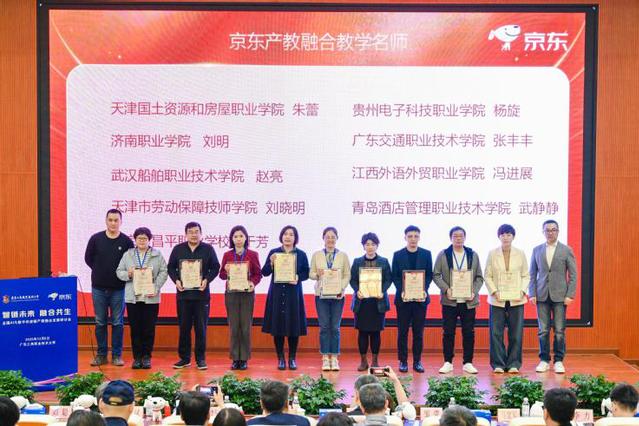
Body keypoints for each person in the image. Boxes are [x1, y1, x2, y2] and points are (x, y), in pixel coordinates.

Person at [168, 222, 220, 370]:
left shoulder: (208, 249)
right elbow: (170, 267)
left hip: (201, 296)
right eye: (190, 232)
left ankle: (200, 359)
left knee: (200, 328)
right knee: (184, 328)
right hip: (183, 295)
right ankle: (184, 358)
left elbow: (215, 267)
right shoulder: (178, 249)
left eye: (196, 231)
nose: (194, 234)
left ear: (201, 233)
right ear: (186, 234)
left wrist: (207, 280)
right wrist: (176, 280)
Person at [84, 209, 134, 366]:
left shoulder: (126, 242)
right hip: (98, 288)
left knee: (118, 323)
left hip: (118, 289)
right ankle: (101, 355)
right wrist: (100, 270)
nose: (113, 223)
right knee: (100, 322)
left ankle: (117, 355)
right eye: (110, 220)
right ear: (106, 221)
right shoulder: (96, 239)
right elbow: (88, 259)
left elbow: (130, 263)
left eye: (116, 220)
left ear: (121, 222)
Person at [433, 226, 484, 374]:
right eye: (455, 236)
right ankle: (448, 362)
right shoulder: (443, 254)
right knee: (448, 332)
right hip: (450, 301)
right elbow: (436, 275)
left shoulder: (472, 254)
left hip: (468, 302)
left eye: (461, 236)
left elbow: (479, 277)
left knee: (469, 333)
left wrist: (474, 291)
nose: (458, 238)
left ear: (465, 238)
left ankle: (468, 362)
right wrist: (446, 289)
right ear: (451, 238)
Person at [529, 220, 577, 374]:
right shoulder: (537, 250)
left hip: (560, 296)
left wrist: (570, 294)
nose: (550, 232)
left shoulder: (566, 250)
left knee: (559, 330)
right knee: (543, 330)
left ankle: (558, 361)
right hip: (542, 295)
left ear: (558, 231)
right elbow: (532, 274)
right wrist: (532, 293)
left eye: (553, 230)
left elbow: (573, 275)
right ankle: (544, 360)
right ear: (543, 232)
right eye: (547, 230)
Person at [116, 227, 168, 369]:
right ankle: (137, 357)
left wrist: (155, 287)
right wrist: (129, 274)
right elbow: (119, 271)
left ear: (149, 240)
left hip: (151, 298)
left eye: (145, 238)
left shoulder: (157, 255)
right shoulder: (128, 255)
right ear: (135, 239)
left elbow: (164, 272)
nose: (142, 241)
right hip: (133, 297)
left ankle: (146, 357)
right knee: (135, 328)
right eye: (139, 238)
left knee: (149, 329)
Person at [261, 225, 310, 370]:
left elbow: (306, 273)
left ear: (295, 238)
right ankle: (281, 358)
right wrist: (271, 262)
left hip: (293, 294)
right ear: (281, 236)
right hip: (277, 294)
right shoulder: (274, 252)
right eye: (285, 234)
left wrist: (298, 277)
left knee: (294, 326)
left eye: (291, 234)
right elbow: (265, 272)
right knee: (278, 327)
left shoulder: (301, 254)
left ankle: (292, 358)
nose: (288, 237)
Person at [484, 224, 530, 374]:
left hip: (517, 299)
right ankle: (498, 363)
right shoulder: (492, 253)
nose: (506, 237)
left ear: (513, 237)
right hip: (497, 299)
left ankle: (513, 363)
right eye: (503, 234)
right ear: (499, 236)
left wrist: (522, 291)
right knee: (496, 333)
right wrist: (494, 291)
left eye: (509, 234)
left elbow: (526, 275)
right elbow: (487, 276)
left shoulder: (520, 253)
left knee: (516, 333)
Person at [219, 225, 263, 370]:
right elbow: (221, 275)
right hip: (231, 293)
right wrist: (225, 270)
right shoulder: (227, 255)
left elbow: (258, 274)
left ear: (246, 238)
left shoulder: (252, 254)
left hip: (247, 294)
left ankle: (243, 358)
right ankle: (234, 358)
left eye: (241, 236)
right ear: (232, 239)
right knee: (234, 326)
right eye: (235, 236)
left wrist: (253, 283)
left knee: (245, 326)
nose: (238, 239)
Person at [391, 225, 433, 373]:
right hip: (403, 300)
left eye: (416, 236)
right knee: (402, 332)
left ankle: (417, 361)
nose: (413, 239)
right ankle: (403, 361)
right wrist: (403, 290)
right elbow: (395, 276)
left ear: (419, 237)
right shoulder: (397, 255)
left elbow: (429, 275)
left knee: (418, 333)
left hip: (420, 300)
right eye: (410, 236)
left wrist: (423, 289)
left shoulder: (426, 254)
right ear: (405, 238)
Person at [309, 226, 351, 371]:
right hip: (321, 295)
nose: (330, 239)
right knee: (325, 326)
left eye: (333, 237)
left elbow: (347, 275)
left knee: (335, 327)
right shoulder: (317, 255)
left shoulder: (343, 256)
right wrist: (318, 274)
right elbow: (311, 274)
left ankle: (334, 357)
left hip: (338, 296)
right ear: (323, 239)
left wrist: (341, 287)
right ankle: (325, 357)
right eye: (328, 237)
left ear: (337, 238)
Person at [351, 232, 392, 371]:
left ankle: (375, 361)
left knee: (376, 333)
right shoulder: (357, 261)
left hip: (378, 303)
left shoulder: (384, 261)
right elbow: (353, 280)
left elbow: (388, 279)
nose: (370, 247)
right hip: (362, 303)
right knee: (362, 333)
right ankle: (363, 361)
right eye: (367, 244)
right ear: (363, 246)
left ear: (377, 246)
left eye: (373, 244)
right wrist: (357, 290)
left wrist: (382, 291)